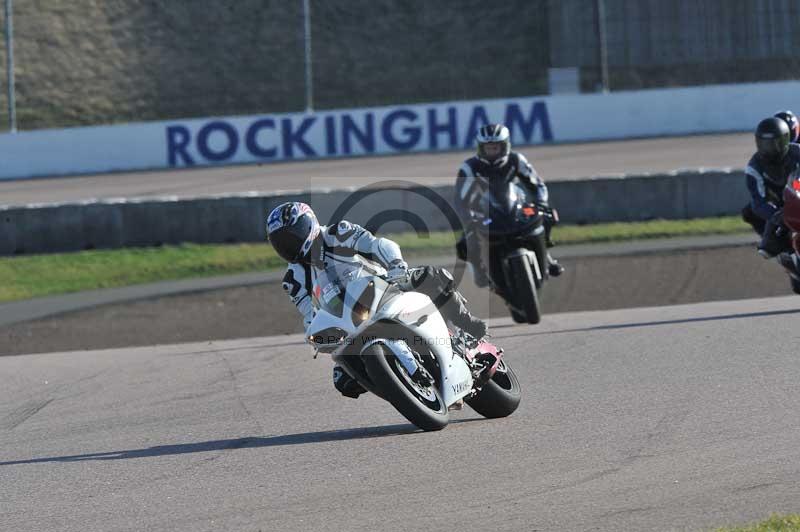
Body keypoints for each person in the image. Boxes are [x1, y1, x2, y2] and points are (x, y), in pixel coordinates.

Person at [266, 201, 487, 399]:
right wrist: (318, 336)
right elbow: (310, 315)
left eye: (291, 237)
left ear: (308, 225)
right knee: (343, 380)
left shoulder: (336, 234)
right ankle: (398, 388)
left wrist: (396, 265)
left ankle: (466, 323)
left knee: (429, 276)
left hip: (385, 286)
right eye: (280, 243)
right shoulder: (293, 280)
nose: (288, 246)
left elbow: (377, 245)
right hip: (348, 319)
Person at [455, 123, 564, 287]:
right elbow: (461, 199)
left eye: (495, 148)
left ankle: (547, 257)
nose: (492, 152)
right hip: (484, 213)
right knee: (466, 242)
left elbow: (537, 185)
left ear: (505, 145)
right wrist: (468, 220)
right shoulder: (469, 167)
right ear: (480, 148)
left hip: (516, 206)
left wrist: (541, 203)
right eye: (488, 148)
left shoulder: (516, 159)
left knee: (547, 216)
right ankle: (480, 270)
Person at [742, 116, 800, 257]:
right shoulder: (753, 168)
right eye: (764, 144)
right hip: (779, 207)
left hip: (798, 195)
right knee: (767, 249)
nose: (768, 149)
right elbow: (759, 203)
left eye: (773, 144)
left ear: (785, 140)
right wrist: (777, 216)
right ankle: (785, 252)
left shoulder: (798, 152)